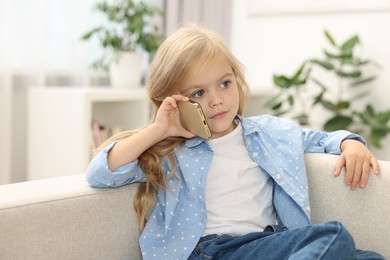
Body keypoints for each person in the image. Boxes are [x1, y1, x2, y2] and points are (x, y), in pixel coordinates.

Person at [86, 24, 384, 260]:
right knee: (333, 237)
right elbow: (101, 172)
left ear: (236, 81)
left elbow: (321, 140)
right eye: (199, 93)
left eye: (225, 84)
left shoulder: (269, 133)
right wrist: (159, 129)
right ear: (174, 100)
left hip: (265, 245)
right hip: (211, 251)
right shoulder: (171, 150)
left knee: (370, 258)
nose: (217, 100)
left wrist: (351, 144)